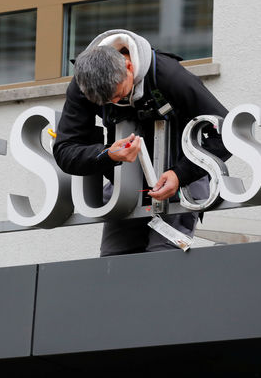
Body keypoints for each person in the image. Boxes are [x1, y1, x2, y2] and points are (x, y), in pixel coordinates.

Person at [52, 29, 230, 256]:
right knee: (113, 263)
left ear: (129, 67)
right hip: (125, 190)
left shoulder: (169, 75)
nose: (113, 103)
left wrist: (179, 174)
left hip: (182, 185)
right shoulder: (82, 83)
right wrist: (108, 154)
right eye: (104, 102)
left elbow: (227, 133)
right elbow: (65, 150)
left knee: (162, 261)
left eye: (117, 95)